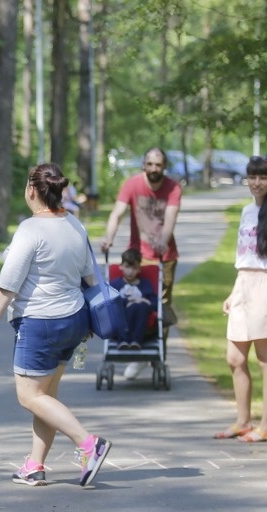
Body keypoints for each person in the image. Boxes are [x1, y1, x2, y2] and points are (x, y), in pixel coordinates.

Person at [0, 163, 112, 488]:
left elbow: (8, 284)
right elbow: (90, 277)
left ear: (31, 190)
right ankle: (34, 465)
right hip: (74, 320)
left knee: (29, 396)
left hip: (41, 323)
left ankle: (88, 444)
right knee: (47, 395)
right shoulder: (75, 226)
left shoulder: (30, 229)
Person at [214, 156, 267, 443]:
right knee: (234, 358)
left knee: (265, 358)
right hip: (244, 285)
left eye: (263, 177)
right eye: (253, 177)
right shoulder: (247, 211)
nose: (257, 183)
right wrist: (234, 293)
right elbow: (245, 258)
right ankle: (243, 421)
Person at [101, 147, 182, 379]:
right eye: (150, 164)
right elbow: (117, 213)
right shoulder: (132, 185)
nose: (154, 169)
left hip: (163, 256)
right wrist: (109, 238)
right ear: (143, 165)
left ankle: (155, 355)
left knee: (160, 307)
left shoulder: (173, 188)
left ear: (164, 167)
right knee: (128, 301)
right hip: (138, 255)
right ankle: (134, 347)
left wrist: (162, 243)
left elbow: (170, 219)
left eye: (158, 165)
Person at [109, 247, 157, 349]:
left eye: (134, 268)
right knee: (122, 305)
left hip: (141, 314)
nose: (130, 271)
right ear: (121, 267)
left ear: (139, 269)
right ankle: (123, 340)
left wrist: (143, 301)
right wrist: (128, 301)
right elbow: (110, 302)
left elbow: (154, 303)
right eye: (127, 267)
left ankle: (136, 340)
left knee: (141, 306)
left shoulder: (145, 284)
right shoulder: (116, 284)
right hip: (123, 315)